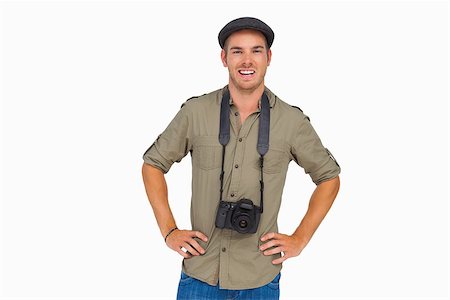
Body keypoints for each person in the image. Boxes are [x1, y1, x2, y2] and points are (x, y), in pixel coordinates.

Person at [142, 17, 341, 300]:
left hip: (260, 277)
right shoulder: (195, 112)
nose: (247, 61)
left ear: (269, 57)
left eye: (256, 51)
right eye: (237, 51)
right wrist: (169, 230)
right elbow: (152, 165)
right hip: (201, 273)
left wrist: (300, 238)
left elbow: (329, 178)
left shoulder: (291, 121)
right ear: (224, 58)